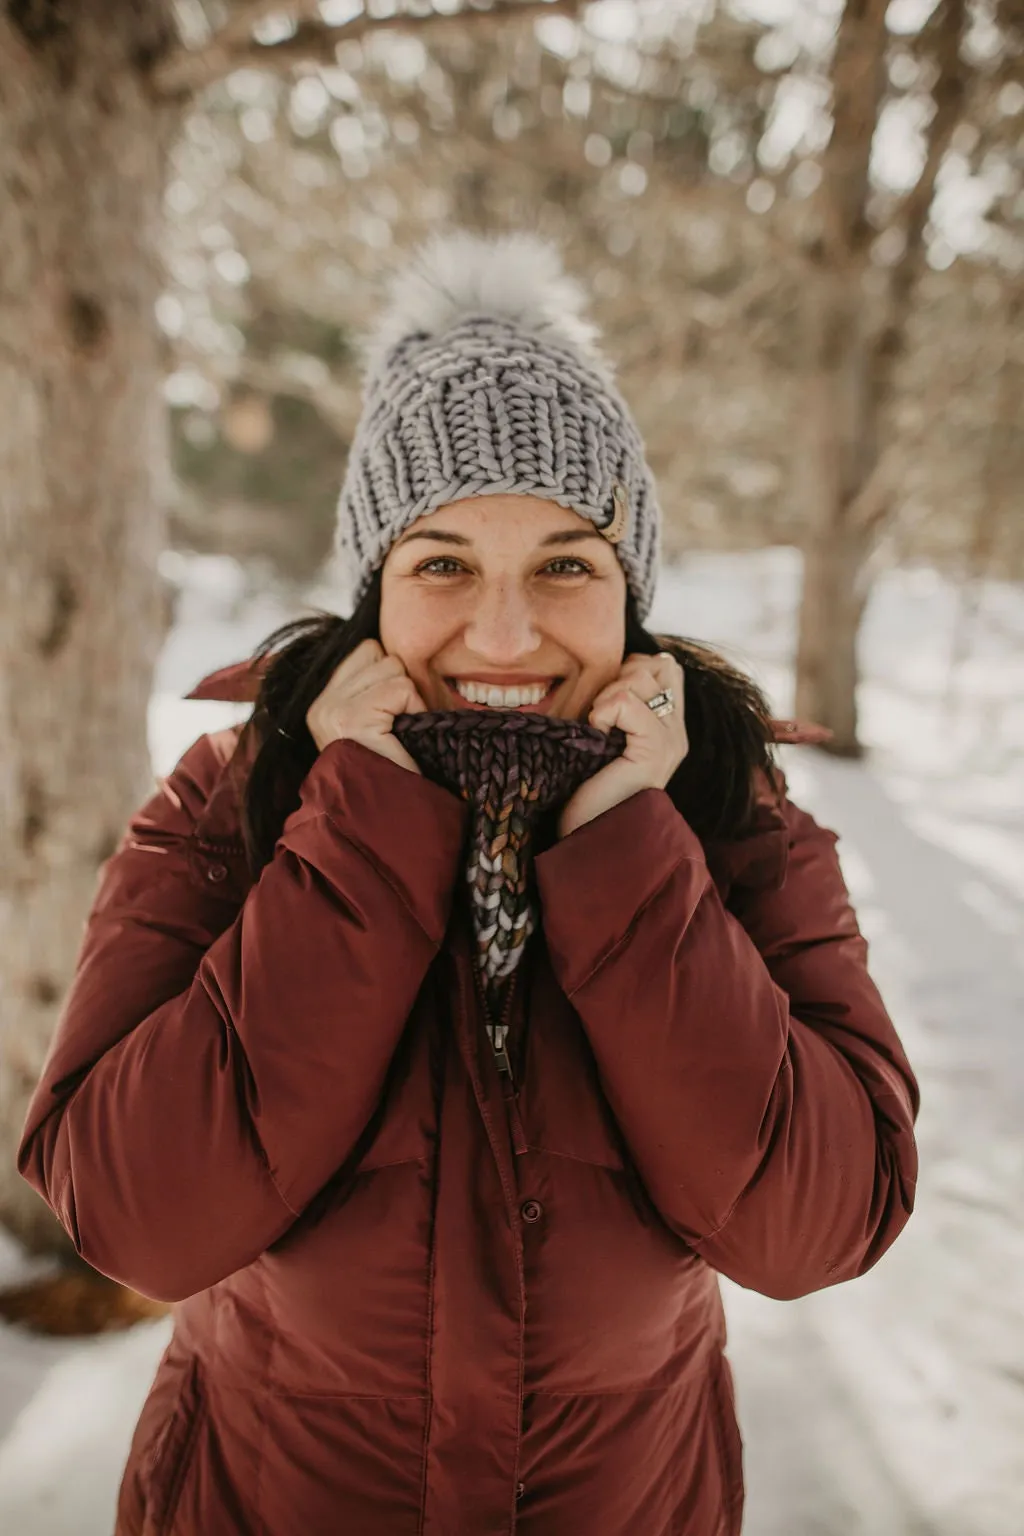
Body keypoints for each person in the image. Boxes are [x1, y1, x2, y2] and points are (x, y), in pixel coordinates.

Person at [18, 231, 919, 1536]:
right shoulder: (237, 799)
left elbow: (814, 1228)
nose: (503, 634)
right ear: (373, 599)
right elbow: (141, 1217)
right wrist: (364, 831)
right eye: (442, 565)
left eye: (565, 564)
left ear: (633, 598)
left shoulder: (731, 821)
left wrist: (627, 853)